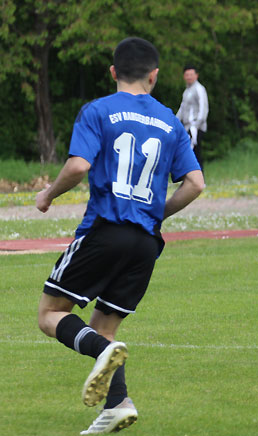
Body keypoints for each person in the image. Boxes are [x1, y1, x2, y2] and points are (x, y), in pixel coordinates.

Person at [35, 37, 204, 434]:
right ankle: (118, 404)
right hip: (146, 243)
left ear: (113, 71)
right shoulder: (170, 121)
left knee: (50, 314)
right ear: (154, 76)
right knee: (105, 328)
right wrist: (156, 213)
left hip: (105, 230)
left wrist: (48, 194)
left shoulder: (98, 110)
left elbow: (78, 166)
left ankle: (102, 352)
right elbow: (195, 183)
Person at [176, 64, 208, 169]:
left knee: (195, 153)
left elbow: (203, 108)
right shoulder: (186, 91)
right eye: (187, 75)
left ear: (196, 75)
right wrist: (175, 121)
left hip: (195, 127)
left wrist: (197, 124)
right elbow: (182, 108)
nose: (189, 77)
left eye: (191, 74)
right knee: (189, 154)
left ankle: (199, 176)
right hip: (187, 127)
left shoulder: (199, 89)